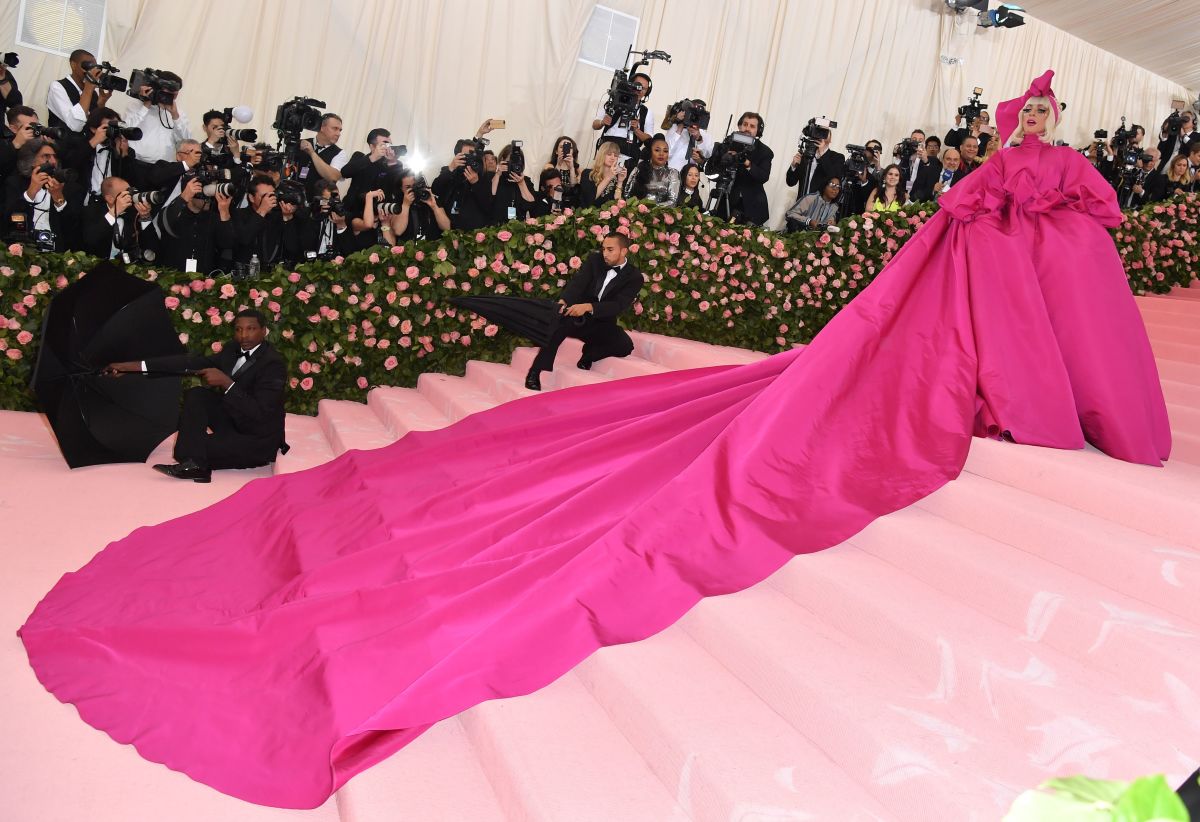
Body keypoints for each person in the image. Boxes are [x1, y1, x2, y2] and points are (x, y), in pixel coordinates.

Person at [17, 71, 1173, 813]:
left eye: (1033, 126)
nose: (1031, 136)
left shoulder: (1005, 190)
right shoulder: (1035, 190)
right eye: (1031, 126)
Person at [102, 309, 288, 483]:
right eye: (239, 329)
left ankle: (194, 461)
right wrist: (132, 367)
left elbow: (260, 412)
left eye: (251, 329)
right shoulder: (233, 349)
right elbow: (191, 362)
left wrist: (227, 383)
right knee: (197, 395)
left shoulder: (273, 364)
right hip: (233, 420)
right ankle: (195, 463)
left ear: (264, 331)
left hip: (257, 437)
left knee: (198, 447)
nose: (244, 335)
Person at [524, 233, 643, 391]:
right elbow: (578, 284)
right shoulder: (595, 261)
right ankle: (535, 371)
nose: (605, 254)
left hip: (602, 322)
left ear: (624, 251)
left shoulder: (634, 277)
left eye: (610, 250)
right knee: (559, 326)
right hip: (578, 317)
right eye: (603, 249)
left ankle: (589, 355)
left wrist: (589, 307)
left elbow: (618, 305)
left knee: (625, 346)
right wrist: (564, 301)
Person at [3, 139, 81, 249]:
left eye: (54, 157)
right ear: (31, 161)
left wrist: (59, 198)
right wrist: (31, 192)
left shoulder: (69, 187)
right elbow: (10, 222)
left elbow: (72, 229)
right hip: (24, 250)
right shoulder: (15, 184)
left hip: (57, 253)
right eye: (46, 156)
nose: (53, 161)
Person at [704, 111, 773, 226]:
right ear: (740, 126)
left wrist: (746, 162)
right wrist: (720, 157)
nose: (747, 128)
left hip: (752, 207)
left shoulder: (765, 151)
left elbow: (763, 177)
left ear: (758, 131)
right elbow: (712, 171)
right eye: (745, 124)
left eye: (752, 126)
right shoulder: (728, 143)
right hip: (726, 200)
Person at [156, 174, 235, 274]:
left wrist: (224, 211)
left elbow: (227, 244)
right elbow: (163, 223)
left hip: (203, 281)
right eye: (206, 193)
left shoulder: (214, 217)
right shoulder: (174, 213)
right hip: (173, 278)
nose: (209, 198)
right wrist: (183, 197)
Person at [80, 175, 156, 260]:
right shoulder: (91, 211)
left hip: (128, 265)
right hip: (98, 265)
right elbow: (90, 241)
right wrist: (113, 213)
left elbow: (152, 246)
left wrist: (145, 217)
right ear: (110, 198)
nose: (130, 196)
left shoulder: (134, 212)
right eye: (125, 194)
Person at [123, 69, 190, 163]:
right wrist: (146, 106)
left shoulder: (178, 113)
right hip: (137, 162)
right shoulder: (136, 105)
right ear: (157, 88)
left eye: (175, 93)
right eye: (169, 91)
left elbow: (186, 142)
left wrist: (175, 116)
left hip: (165, 166)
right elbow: (125, 130)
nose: (172, 96)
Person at [591, 72, 654, 165]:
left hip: (629, 153)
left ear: (647, 92)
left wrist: (636, 130)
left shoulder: (646, 112)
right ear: (630, 84)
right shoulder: (611, 103)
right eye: (637, 85)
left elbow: (649, 139)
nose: (640, 90)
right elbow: (595, 125)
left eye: (644, 89)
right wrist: (602, 122)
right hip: (606, 148)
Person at [431, 139, 493, 231]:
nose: (471, 159)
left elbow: (488, 205)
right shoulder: (450, 172)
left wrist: (476, 183)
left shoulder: (483, 176)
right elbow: (435, 189)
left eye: (473, 155)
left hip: (477, 235)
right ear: (458, 156)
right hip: (452, 233)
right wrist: (451, 168)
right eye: (467, 156)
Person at [45, 49, 112, 133]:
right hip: (63, 144)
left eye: (94, 66)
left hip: (87, 145)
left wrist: (101, 104)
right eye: (87, 65)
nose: (90, 70)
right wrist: (88, 88)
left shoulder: (92, 92)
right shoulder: (57, 87)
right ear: (73, 65)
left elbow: (97, 126)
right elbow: (75, 125)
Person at [340, 128, 402, 205]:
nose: (387, 148)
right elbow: (344, 172)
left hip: (376, 212)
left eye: (390, 145)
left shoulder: (392, 165)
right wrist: (373, 157)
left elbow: (395, 188)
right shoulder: (359, 157)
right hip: (352, 209)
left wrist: (392, 162)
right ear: (372, 146)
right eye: (384, 144)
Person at [295, 113, 349, 196]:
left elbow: (333, 177)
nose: (338, 134)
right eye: (335, 128)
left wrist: (312, 153)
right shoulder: (301, 143)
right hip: (294, 197)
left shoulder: (340, 153)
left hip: (317, 202)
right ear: (321, 127)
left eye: (340, 130)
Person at [386, 173, 450, 242]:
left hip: (432, 248)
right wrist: (405, 205)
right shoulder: (398, 204)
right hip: (409, 249)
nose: (413, 190)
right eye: (408, 187)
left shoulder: (430, 198)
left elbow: (447, 228)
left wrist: (434, 207)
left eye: (415, 186)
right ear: (401, 188)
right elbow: (398, 231)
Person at [785, 131, 845, 201]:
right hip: (801, 203)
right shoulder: (806, 155)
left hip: (820, 206)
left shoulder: (837, 157)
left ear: (830, 139)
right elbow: (790, 182)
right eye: (820, 131)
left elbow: (833, 177)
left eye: (825, 133)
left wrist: (822, 153)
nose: (822, 136)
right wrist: (793, 166)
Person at [489, 142, 536, 224]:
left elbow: (530, 205)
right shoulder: (495, 178)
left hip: (518, 228)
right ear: (502, 161)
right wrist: (498, 174)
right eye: (511, 161)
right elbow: (489, 198)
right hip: (497, 227)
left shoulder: (526, 181)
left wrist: (521, 183)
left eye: (517, 162)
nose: (514, 164)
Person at [628, 133, 679, 206]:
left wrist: (651, 209)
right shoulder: (638, 170)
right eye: (657, 150)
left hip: (662, 214)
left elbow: (672, 201)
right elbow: (627, 195)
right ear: (650, 152)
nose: (661, 154)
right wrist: (640, 209)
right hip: (637, 212)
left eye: (665, 151)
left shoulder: (673, 173)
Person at [662, 104, 714, 171]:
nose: (695, 117)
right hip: (673, 172)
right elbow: (667, 153)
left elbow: (708, 156)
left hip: (692, 175)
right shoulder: (675, 128)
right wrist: (680, 128)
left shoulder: (704, 134)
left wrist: (699, 138)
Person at [579, 140, 627, 207]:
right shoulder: (588, 174)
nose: (612, 158)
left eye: (616, 155)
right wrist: (608, 178)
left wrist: (620, 182)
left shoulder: (616, 178)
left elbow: (619, 205)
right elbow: (589, 200)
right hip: (590, 214)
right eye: (609, 154)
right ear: (602, 155)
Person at [544, 136, 582, 204]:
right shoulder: (549, 166)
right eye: (561, 147)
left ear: (573, 151)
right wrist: (558, 165)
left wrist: (572, 168)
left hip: (571, 202)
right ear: (556, 151)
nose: (564, 150)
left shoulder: (578, 169)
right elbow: (550, 186)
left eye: (569, 148)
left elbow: (574, 186)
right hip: (553, 201)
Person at [907, 136, 944, 201]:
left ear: (939, 150)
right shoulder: (917, 160)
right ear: (925, 149)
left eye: (935, 147)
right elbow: (911, 176)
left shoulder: (940, 164)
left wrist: (926, 162)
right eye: (929, 147)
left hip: (927, 197)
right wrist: (907, 190)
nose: (932, 149)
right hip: (913, 195)